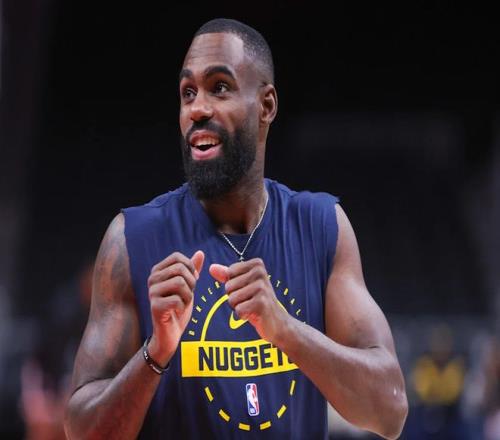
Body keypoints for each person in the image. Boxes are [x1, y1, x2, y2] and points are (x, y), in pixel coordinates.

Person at [64, 18, 408, 439]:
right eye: (188, 92)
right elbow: (81, 431)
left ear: (266, 106)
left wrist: (286, 330)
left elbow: (390, 411)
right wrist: (156, 352)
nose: (197, 108)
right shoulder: (131, 240)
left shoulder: (321, 227)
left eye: (219, 87)